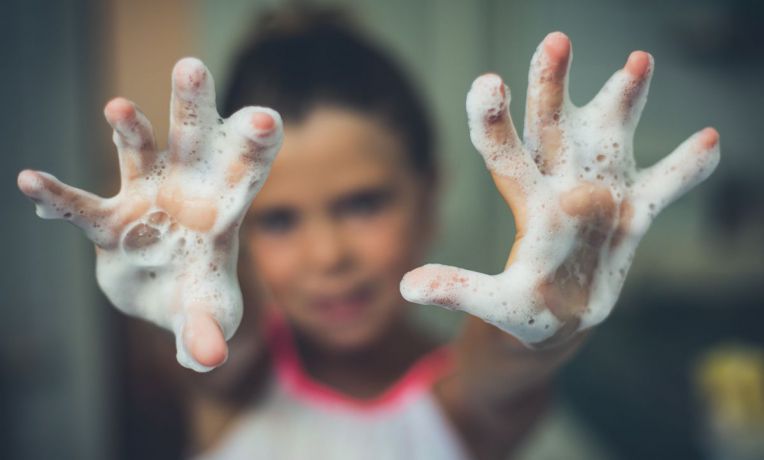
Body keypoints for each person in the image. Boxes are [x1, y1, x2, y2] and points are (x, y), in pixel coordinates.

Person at [16, 6, 720, 460]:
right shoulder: (241, 366)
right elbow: (217, 351)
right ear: (231, 228)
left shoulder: (466, 403)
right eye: (279, 219)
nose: (329, 257)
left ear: (428, 193)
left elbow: (501, 371)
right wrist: (161, 273)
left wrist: (546, 318)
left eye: (362, 204)